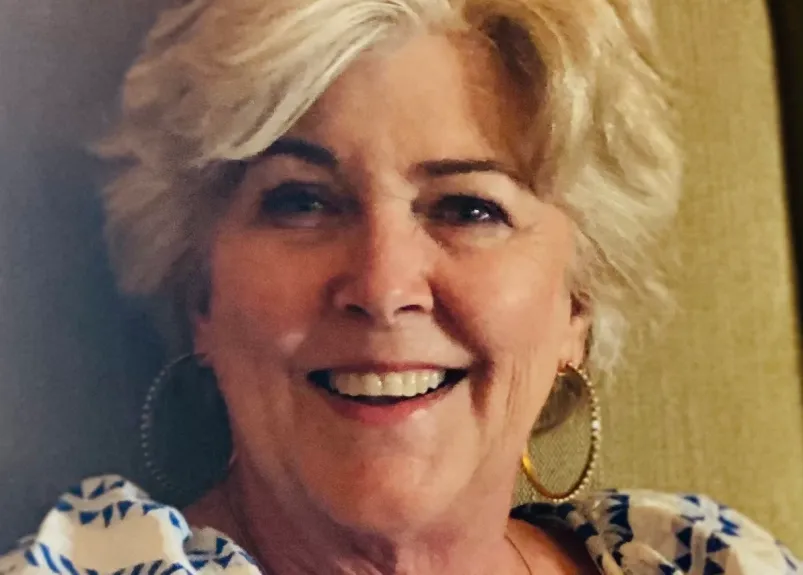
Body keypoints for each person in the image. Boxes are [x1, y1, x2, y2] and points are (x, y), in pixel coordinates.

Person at [1, 0, 800, 573]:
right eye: (302, 201)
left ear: (577, 303)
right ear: (198, 291)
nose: (383, 286)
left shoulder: (702, 556)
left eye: (467, 208)